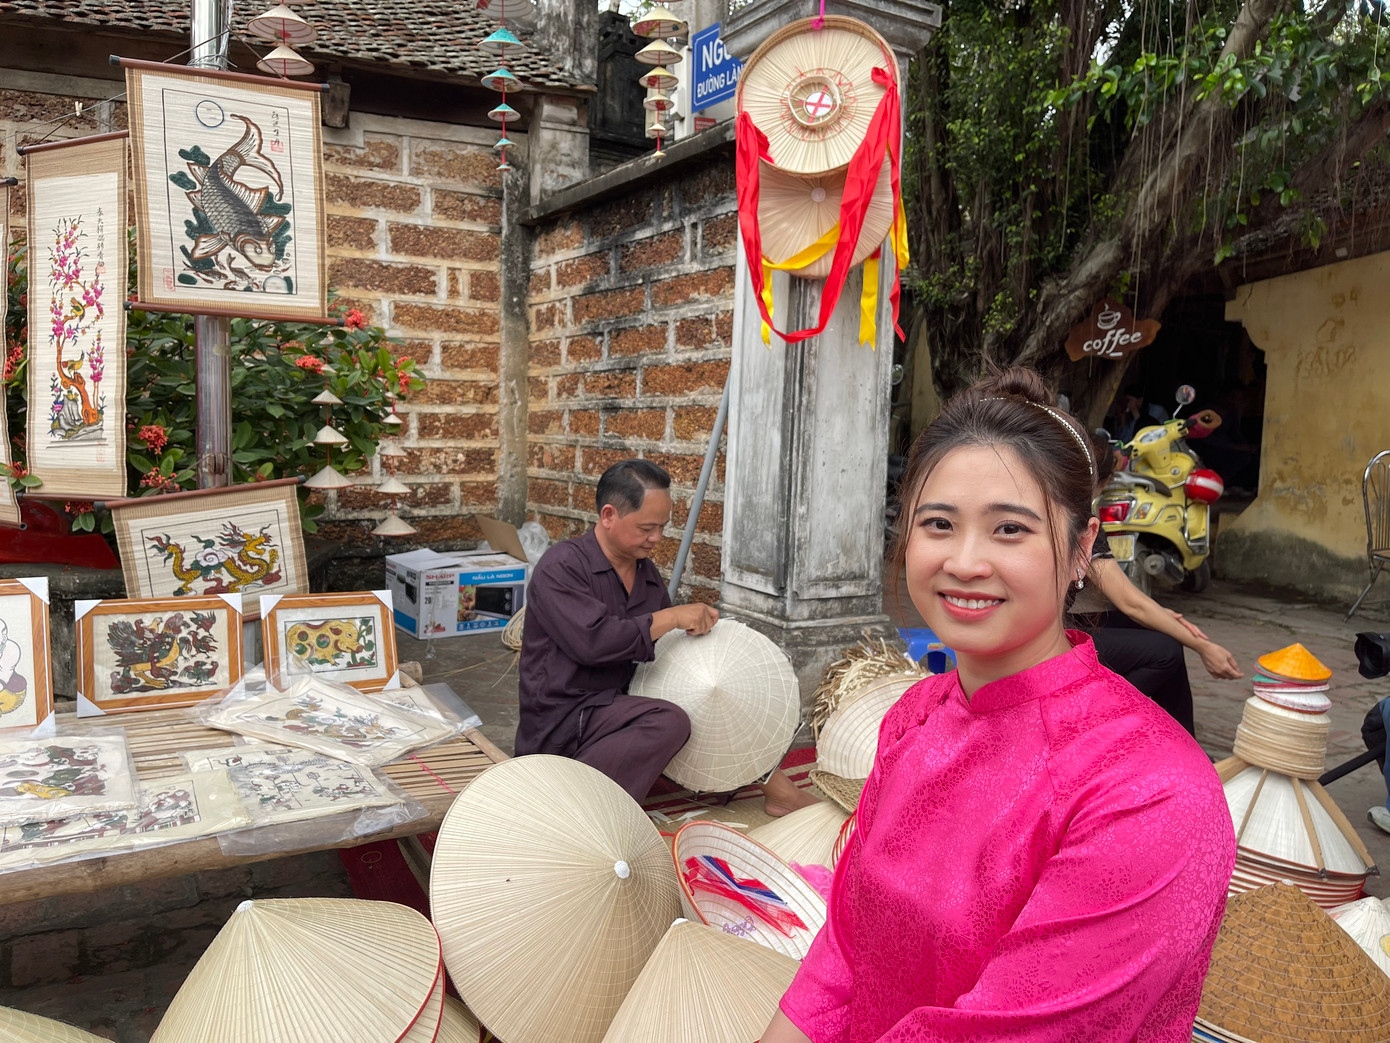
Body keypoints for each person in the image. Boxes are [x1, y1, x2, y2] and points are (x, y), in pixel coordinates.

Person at [762, 368, 1235, 1043]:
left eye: (1009, 529)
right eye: (938, 524)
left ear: (1081, 546)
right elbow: (846, 942)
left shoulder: (1151, 791)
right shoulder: (916, 715)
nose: (964, 561)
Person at [516, 458, 818, 815]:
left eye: (662, 527)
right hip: (565, 719)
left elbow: (663, 649)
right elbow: (594, 643)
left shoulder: (644, 573)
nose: (657, 538)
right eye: (647, 527)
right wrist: (672, 615)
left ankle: (776, 787)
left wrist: (709, 659)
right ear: (609, 515)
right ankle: (578, 809)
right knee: (668, 720)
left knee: (709, 694)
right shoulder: (563, 566)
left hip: (618, 708)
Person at [1072, 429, 1243, 735]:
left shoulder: (1069, 512)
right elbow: (1131, 602)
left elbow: (1125, 598)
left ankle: (1179, 739)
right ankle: (1093, 723)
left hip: (1059, 625)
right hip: (1054, 639)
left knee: (1160, 632)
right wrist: (1204, 647)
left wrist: (1163, 617)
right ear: (1106, 480)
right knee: (1165, 652)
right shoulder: (1078, 521)